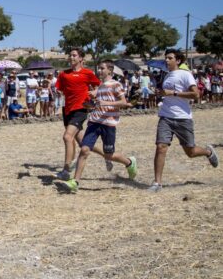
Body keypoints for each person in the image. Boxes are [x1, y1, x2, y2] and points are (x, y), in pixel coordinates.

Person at [54, 60, 138, 193]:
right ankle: (75, 182)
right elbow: (98, 105)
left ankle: (129, 162)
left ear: (110, 70)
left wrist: (103, 102)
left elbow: (123, 102)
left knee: (109, 155)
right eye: (98, 69)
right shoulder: (99, 87)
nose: (99, 71)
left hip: (108, 124)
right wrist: (90, 106)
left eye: (102, 69)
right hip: (94, 122)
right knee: (84, 149)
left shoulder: (115, 85)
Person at [149, 49, 218, 192]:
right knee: (161, 147)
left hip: (183, 118)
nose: (166, 60)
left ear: (178, 60)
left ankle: (208, 152)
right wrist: (160, 93)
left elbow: (196, 94)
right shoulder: (167, 76)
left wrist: (173, 93)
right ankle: (157, 183)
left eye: (170, 58)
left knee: (191, 152)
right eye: (166, 58)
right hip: (166, 117)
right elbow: (168, 94)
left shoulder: (186, 74)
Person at [54, 48, 103, 181]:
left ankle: (66, 170)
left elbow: (100, 86)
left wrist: (95, 92)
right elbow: (60, 89)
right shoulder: (64, 74)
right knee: (84, 143)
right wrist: (58, 92)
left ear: (81, 58)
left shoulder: (87, 73)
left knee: (67, 137)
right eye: (70, 55)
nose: (71, 57)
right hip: (68, 110)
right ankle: (109, 157)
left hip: (80, 109)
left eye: (74, 55)